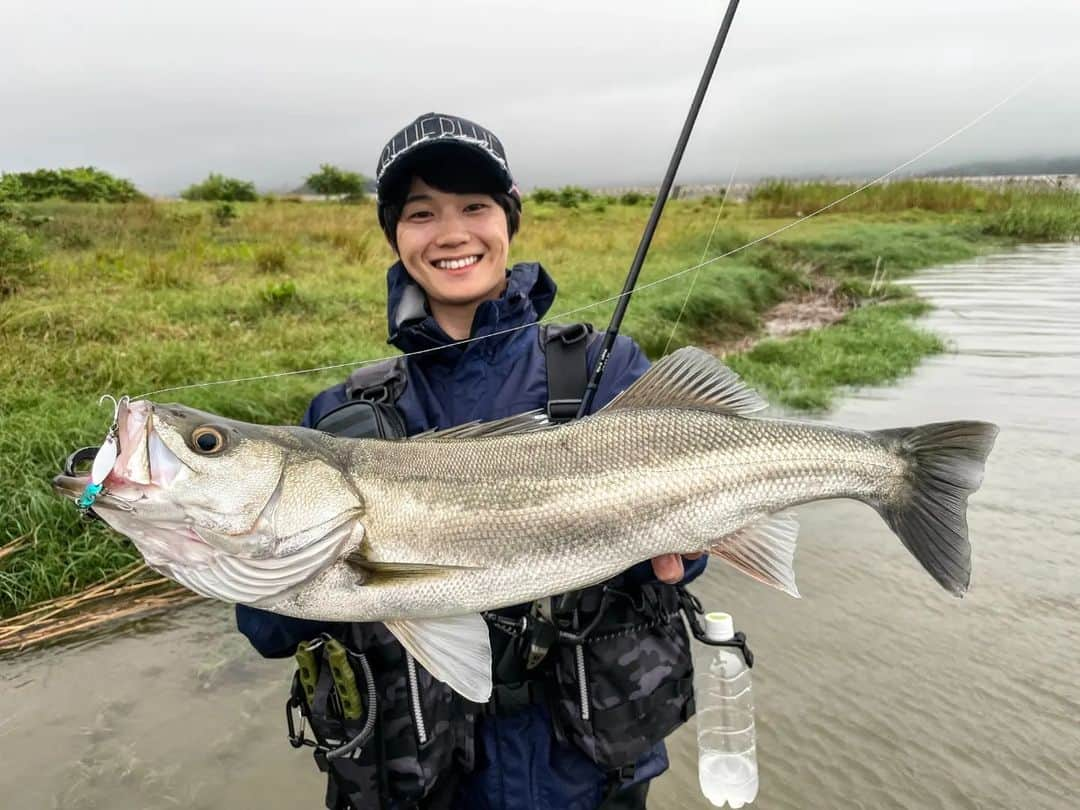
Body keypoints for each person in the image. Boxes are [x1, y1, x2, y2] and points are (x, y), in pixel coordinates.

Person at [237, 112, 707, 810]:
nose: (452, 233)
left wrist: (684, 546)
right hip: (419, 787)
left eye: (474, 207)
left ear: (510, 220)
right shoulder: (338, 418)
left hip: (586, 779)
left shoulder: (605, 369)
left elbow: (682, 556)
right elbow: (270, 630)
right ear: (395, 235)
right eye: (422, 212)